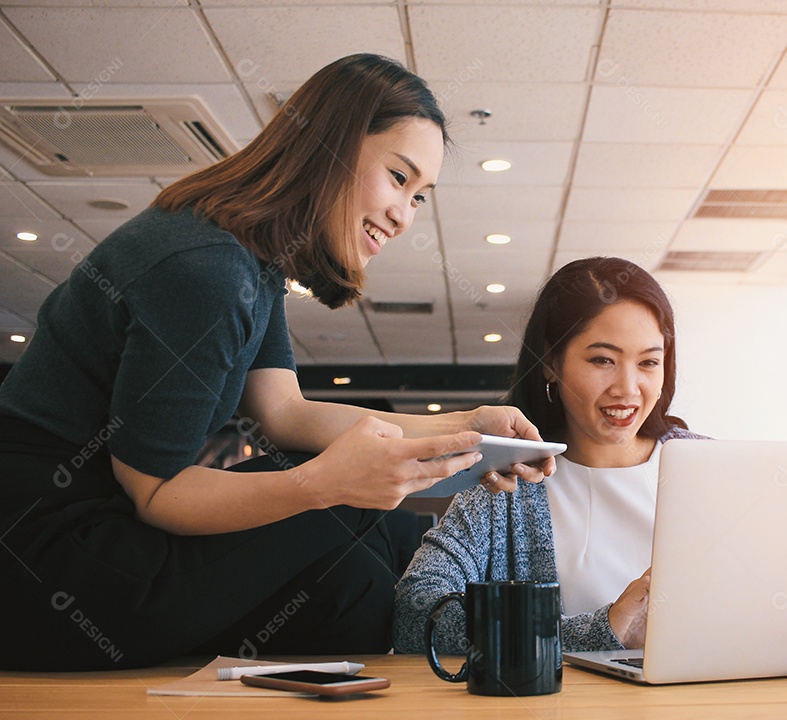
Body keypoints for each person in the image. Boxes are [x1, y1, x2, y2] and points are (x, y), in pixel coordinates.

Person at [0, 54, 552, 671]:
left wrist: (471, 429)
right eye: (398, 178)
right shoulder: (207, 268)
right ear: (331, 146)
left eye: (420, 196)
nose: (404, 216)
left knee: (354, 585)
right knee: (348, 506)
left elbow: (285, 413)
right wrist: (327, 485)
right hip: (47, 553)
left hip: (100, 532)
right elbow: (155, 494)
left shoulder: (247, 260)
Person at [393, 257, 707, 654]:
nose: (628, 389)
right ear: (550, 363)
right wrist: (596, 631)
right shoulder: (505, 483)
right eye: (603, 360)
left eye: (648, 362)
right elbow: (415, 615)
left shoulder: (708, 468)